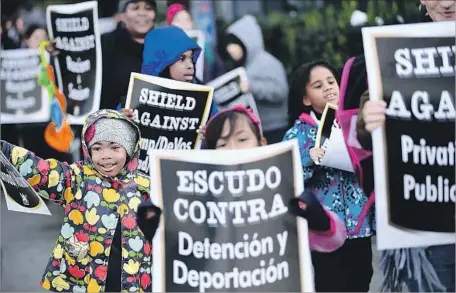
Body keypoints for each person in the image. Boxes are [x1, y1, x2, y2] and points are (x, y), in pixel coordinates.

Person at [137, 105, 347, 253]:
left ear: (262, 142)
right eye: (222, 144)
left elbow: (334, 239)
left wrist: (318, 219)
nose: (233, 149)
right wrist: (156, 226)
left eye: (242, 139)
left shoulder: (281, 191)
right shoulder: (196, 200)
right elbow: (180, 251)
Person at [1, 109, 161, 292]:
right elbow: (42, 171)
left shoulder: (149, 186)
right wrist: (5, 151)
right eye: (97, 148)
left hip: (133, 284)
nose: (105, 155)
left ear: (131, 148)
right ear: (87, 149)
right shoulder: (76, 178)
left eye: (115, 147)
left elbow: (169, 230)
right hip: (82, 283)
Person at [357, 1, 455, 292]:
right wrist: (368, 118)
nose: (448, 2)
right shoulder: (400, 50)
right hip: (428, 235)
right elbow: (373, 107)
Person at [283, 61, 375, 292]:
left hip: (358, 227)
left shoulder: (356, 124)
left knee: (361, 278)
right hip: (322, 230)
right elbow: (286, 178)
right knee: (329, 282)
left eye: (331, 81)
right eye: (317, 85)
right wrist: (308, 158)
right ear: (305, 99)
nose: (328, 88)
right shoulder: (297, 133)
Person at [121, 25, 218, 119]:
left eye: (191, 58)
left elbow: (219, 126)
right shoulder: (133, 100)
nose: (190, 66)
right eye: (181, 58)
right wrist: (122, 122)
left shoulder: (203, 99)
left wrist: (210, 131)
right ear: (162, 64)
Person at [224, 15, 289, 144]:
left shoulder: (268, 63)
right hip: (258, 127)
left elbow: (280, 91)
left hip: (274, 127)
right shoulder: (244, 64)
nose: (230, 49)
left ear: (246, 42)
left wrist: (251, 87)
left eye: (234, 44)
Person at [100, 0, 157, 111]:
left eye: (148, 8)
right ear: (122, 15)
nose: (142, 13)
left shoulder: (167, 48)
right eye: (135, 8)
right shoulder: (104, 43)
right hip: (108, 124)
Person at [165, 3, 226, 84]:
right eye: (178, 20)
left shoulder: (207, 48)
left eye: (187, 20)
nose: (184, 24)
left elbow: (221, 72)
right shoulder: (163, 51)